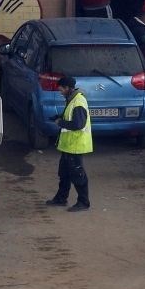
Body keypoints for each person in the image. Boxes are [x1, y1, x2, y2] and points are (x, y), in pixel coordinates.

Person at [44, 76, 92, 211]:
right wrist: (59, 117)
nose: (60, 92)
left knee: (78, 175)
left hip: (75, 146)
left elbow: (78, 124)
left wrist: (60, 122)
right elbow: (71, 118)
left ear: (67, 88)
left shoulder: (78, 102)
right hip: (68, 146)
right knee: (64, 174)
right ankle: (61, 198)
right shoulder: (72, 99)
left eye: (61, 89)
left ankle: (83, 202)